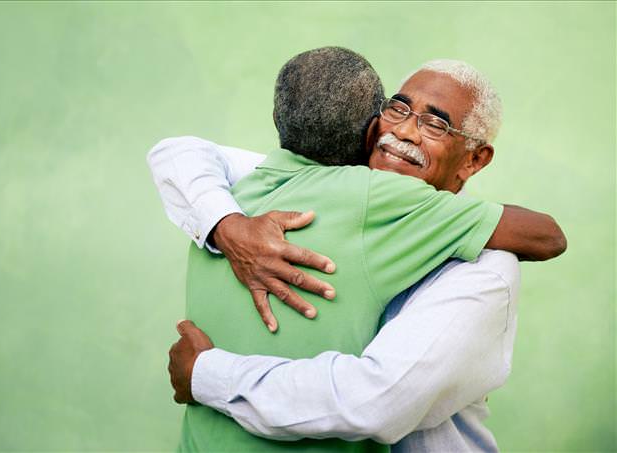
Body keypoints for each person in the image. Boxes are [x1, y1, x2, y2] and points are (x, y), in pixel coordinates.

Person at [149, 49, 566, 452]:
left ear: (474, 160)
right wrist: (228, 225)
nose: (402, 131)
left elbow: (370, 403)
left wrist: (206, 374)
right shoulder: (323, 188)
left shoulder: (483, 272)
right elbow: (182, 153)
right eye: (397, 109)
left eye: (435, 125)